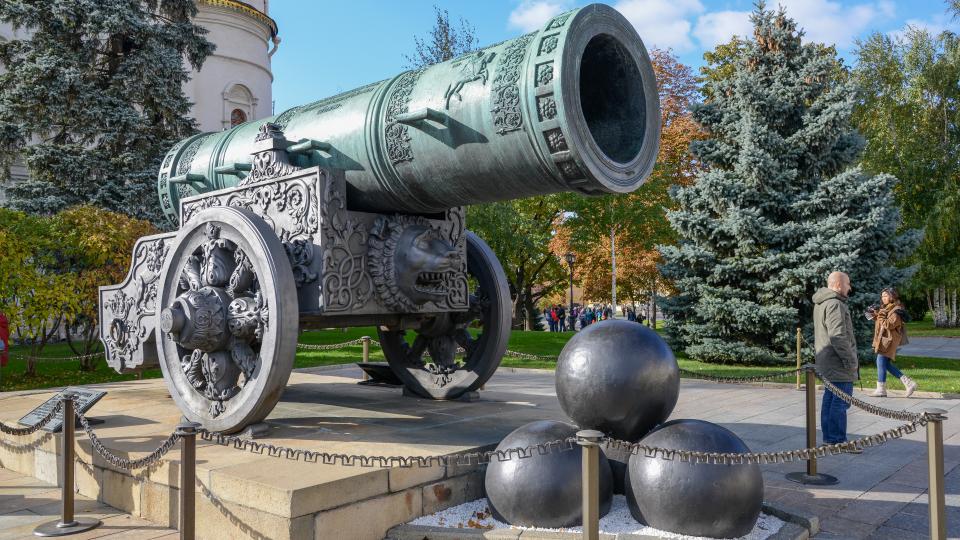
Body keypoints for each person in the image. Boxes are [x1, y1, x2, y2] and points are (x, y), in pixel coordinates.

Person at [812, 271, 860, 450]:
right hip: (838, 362)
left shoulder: (822, 302)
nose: (850, 287)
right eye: (848, 284)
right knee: (839, 402)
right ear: (839, 284)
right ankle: (837, 441)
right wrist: (851, 360)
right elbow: (838, 335)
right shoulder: (834, 304)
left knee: (831, 400)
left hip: (828, 361)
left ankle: (830, 439)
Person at [867, 287, 917, 397]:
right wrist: (875, 314)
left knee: (880, 361)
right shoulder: (887, 308)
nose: (883, 298)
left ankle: (881, 389)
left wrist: (879, 315)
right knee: (885, 364)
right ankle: (909, 383)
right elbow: (881, 322)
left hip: (889, 340)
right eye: (882, 296)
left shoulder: (897, 310)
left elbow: (889, 324)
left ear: (892, 296)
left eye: (885, 296)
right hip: (884, 340)